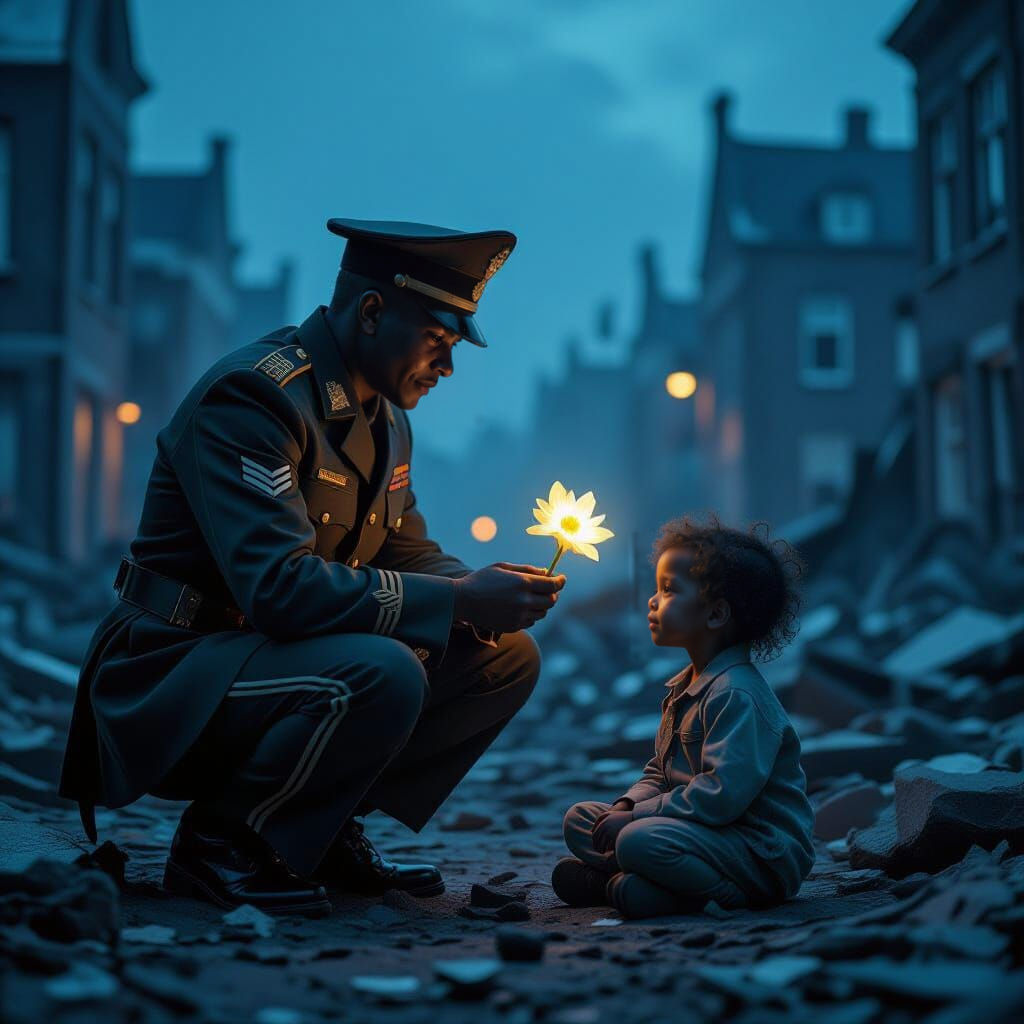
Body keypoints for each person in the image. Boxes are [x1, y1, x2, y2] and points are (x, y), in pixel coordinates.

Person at [59, 218, 567, 916]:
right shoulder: (256, 397)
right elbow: (278, 590)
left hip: (269, 658)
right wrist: (456, 601)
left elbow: (401, 549)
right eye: (439, 341)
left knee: (505, 657)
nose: (447, 367)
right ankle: (220, 846)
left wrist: (486, 594)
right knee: (381, 672)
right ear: (371, 312)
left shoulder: (385, 417)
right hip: (176, 663)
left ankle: (316, 829)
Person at [553, 515, 814, 919]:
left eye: (669, 590)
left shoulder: (738, 695)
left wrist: (634, 821)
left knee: (636, 840)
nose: (652, 601)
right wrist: (625, 806)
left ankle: (719, 896)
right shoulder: (686, 687)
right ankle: (639, 884)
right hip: (702, 832)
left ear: (715, 615)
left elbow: (720, 795)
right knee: (582, 820)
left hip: (758, 851)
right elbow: (660, 773)